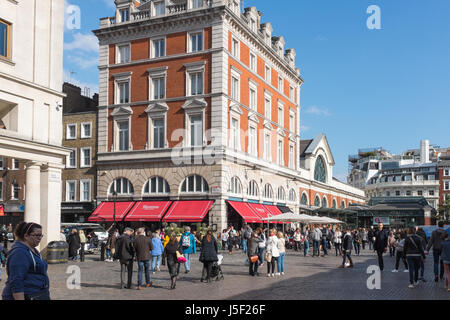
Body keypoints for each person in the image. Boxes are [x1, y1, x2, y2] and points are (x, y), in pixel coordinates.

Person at [2, 222, 50, 300]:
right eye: (37, 235)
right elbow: (16, 280)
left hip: (37, 294)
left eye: (41, 235)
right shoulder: (19, 252)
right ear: (26, 236)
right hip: (26, 296)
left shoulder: (33, 250)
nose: (40, 238)